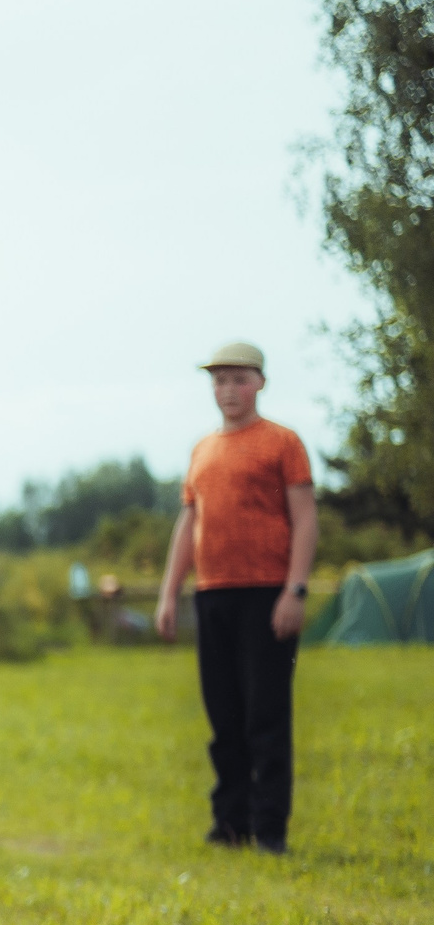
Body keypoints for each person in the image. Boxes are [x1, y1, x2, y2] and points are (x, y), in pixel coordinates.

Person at [154, 342, 315, 854]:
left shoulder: (282, 443)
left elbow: (306, 518)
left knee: (265, 714)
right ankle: (230, 824)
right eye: (220, 381)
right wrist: (168, 593)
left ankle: (270, 831)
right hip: (213, 595)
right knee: (223, 717)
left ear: (260, 383)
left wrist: (295, 589)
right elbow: (189, 522)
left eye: (238, 379)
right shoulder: (202, 451)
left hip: (268, 593)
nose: (228, 390)